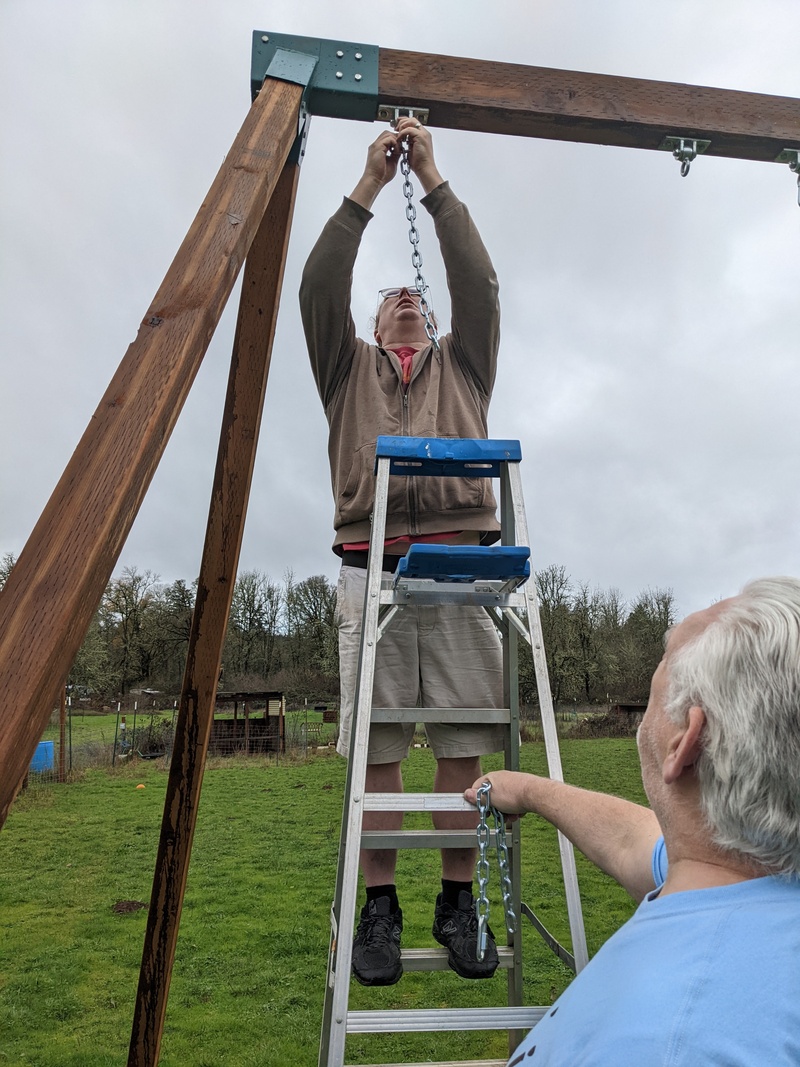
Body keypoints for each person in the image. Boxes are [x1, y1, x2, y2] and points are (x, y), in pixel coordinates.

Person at [300, 117, 506, 986]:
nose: (406, 299)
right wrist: (369, 187)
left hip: (462, 575)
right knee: (380, 751)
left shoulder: (467, 363)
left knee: (464, 745)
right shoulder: (347, 370)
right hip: (372, 569)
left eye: (412, 295)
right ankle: (378, 910)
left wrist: (432, 178)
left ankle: (457, 900)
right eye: (391, 298)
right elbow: (319, 284)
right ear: (376, 323)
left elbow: (479, 282)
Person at [466, 576, 800, 1065]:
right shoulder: (740, 871)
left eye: (661, 664)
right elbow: (633, 838)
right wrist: (532, 791)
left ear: (685, 741)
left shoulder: (665, 1044)